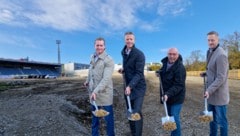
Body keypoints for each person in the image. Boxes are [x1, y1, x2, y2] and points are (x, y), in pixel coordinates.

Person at [84, 37, 115, 136]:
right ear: (94, 46)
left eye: (101, 45)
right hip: (94, 94)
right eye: (97, 45)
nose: (99, 47)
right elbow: (90, 71)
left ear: (104, 46)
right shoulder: (92, 57)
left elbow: (106, 79)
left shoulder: (109, 60)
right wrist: (87, 81)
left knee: (108, 122)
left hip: (105, 95)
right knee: (94, 121)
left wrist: (95, 92)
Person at [200, 31, 229, 136]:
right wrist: (205, 73)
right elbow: (212, 69)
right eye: (208, 40)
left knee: (221, 122)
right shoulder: (209, 51)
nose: (210, 42)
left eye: (212, 40)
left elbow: (221, 77)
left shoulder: (221, 55)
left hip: (219, 97)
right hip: (210, 95)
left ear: (218, 40)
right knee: (212, 121)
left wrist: (209, 90)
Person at [118, 31, 146, 136]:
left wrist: (130, 85)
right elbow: (129, 67)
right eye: (127, 39)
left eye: (131, 39)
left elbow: (139, 73)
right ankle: (133, 132)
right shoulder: (124, 52)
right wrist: (123, 69)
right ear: (125, 40)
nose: (129, 41)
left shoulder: (139, 54)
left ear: (134, 40)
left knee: (136, 111)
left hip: (138, 87)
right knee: (130, 110)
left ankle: (137, 134)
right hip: (127, 86)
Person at [156, 48, 186, 136]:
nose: (172, 56)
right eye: (170, 54)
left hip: (177, 98)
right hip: (167, 97)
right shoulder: (165, 64)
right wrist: (159, 73)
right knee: (170, 118)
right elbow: (163, 73)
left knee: (174, 117)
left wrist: (168, 94)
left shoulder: (180, 68)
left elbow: (179, 85)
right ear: (167, 54)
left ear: (178, 55)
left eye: (174, 54)